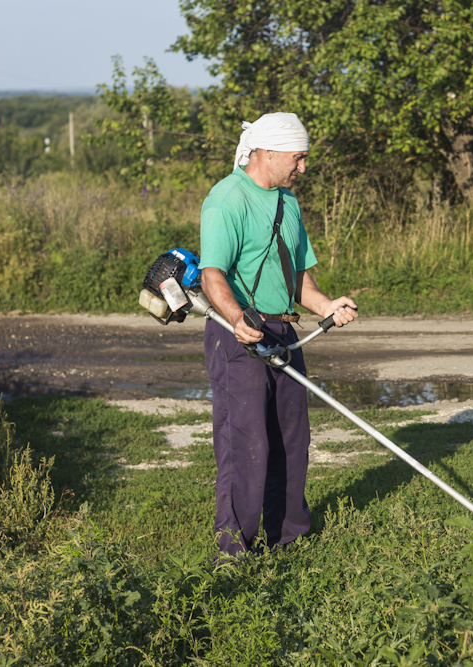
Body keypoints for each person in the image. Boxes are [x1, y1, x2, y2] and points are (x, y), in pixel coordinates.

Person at [199, 112, 358, 556]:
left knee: (292, 439)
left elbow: (298, 279)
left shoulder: (289, 204)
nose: (303, 168)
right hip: (238, 332)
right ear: (267, 153)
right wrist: (236, 319)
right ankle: (234, 552)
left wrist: (326, 305)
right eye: (299, 158)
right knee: (246, 442)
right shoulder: (227, 199)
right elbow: (212, 274)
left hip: (285, 331)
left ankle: (289, 540)